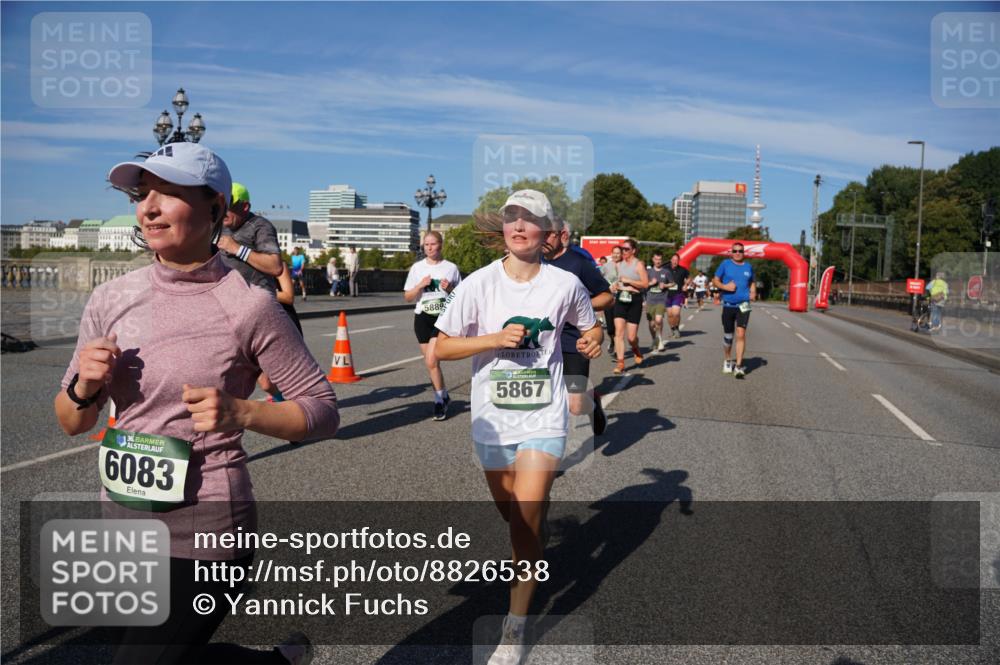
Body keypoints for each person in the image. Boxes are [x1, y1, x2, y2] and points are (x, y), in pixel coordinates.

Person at [58, 142, 338, 664]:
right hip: (120, 524)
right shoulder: (111, 298)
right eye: (143, 195)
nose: (149, 207)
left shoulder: (249, 306)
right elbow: (73, 422)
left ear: (214, 206)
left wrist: (244, 412)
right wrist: (84, 388)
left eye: (169, 193)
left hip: (205, 533)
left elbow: (323, 410)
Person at [434, 190, 602, 665]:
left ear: (548, 232)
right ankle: (534, 535)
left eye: (530, 218)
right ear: (503, 229)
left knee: (525, 522)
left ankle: (514, 629)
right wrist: (492, 339)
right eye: (512, 217)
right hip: (492, 418)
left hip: (543, 417)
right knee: (515, 520)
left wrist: (593, 338)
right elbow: (441, 349)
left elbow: (590, 326)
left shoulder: (565, 284)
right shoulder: (478, 285)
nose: (519, 224)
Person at [543, 219, 613, 436]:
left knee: (575, 405)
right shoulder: (532, 263)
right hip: (541, 341)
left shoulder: (578, 263)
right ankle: (546, 455)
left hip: (573, 342)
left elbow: (607, 297)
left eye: (548, 234)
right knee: (543, 400)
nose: (542, 238)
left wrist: (579, 306)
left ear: (561, 234)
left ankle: (592, 403)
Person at [403, 231, 461, 420]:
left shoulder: (451, 268)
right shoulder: (417, 268)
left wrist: (449, 288)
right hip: (422, 318)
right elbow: (407, 297)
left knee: (431, 360)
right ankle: (443, 396)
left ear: (441, 245)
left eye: (433, 244)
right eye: (426, 245)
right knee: (432, 363)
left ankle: (438, 401)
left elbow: (459, 297)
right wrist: (420, 285)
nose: (429, 247)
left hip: (441, 318)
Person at [218, 181, 282, 291]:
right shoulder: (219, 225)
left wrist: (237, 249)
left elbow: (275, 267)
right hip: (227, 298)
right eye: (222, 204)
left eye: (230, 205)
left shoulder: (260, 226)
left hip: (256, 299)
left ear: (245, 207)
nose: (224, 210)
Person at [712, 242, 756, 379]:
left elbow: (752, 281)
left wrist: (753, 291)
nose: (738, 253)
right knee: (728, 337)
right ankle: (727, 359)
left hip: (744, 305)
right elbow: (715, 280)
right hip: (729, 305)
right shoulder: (725, 264)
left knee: (741, 334)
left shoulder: (748, 266)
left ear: (744, 252)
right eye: (735, 251)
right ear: (731, 252)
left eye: (740, 251)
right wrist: (725, 287)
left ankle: (738, 366)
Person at [611, 238, 649, 374]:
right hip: (621, 298)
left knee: (631, 337)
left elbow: (645, 284)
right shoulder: (618, 264)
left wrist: (630, 281)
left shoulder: (638, 264)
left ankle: (635, 349)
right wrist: (616, 285)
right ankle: (621, 363)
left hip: (635, 300)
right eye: (622, 249)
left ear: (633, 250)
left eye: (626, 249)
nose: (624, 251)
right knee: (618, 332)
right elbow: (618, 280)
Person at [644, 252, 670, 351]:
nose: (658, 261)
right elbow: (643, 285)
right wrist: (651, 283)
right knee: (651, 323)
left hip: (661, 299)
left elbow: (672, 283)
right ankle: (654, 340)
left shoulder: (666, 272)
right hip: (650, 300)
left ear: (661, 260)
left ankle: (659, 340)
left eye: (659, 259)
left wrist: (665, 285)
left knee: (658, 320)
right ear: (653, 259)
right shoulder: (648, 271)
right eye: (656, 259)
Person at [600, 247, 622, 355]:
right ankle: (613, 340)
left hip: (622, 299)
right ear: (611, 254)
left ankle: (618, 351)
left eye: (618, 253)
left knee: (619, 325)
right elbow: (598, 280)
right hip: (609, 299)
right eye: (614, 253)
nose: (616, 255)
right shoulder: (605, 266)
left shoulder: (625, 265)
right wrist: (607, 287)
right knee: (610, 328)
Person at [663, 253, 691, 340]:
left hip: (678, 294)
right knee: (670, 315)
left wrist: (686, 284)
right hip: (667, 294)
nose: (675, 261)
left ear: (678, 261)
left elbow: (689, 277)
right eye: (673, 260)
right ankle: (672, 329)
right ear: (671, 260)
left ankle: (677, 329)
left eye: (676, 260)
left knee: (676, 313)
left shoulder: (683, 270)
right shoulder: (665, 269)